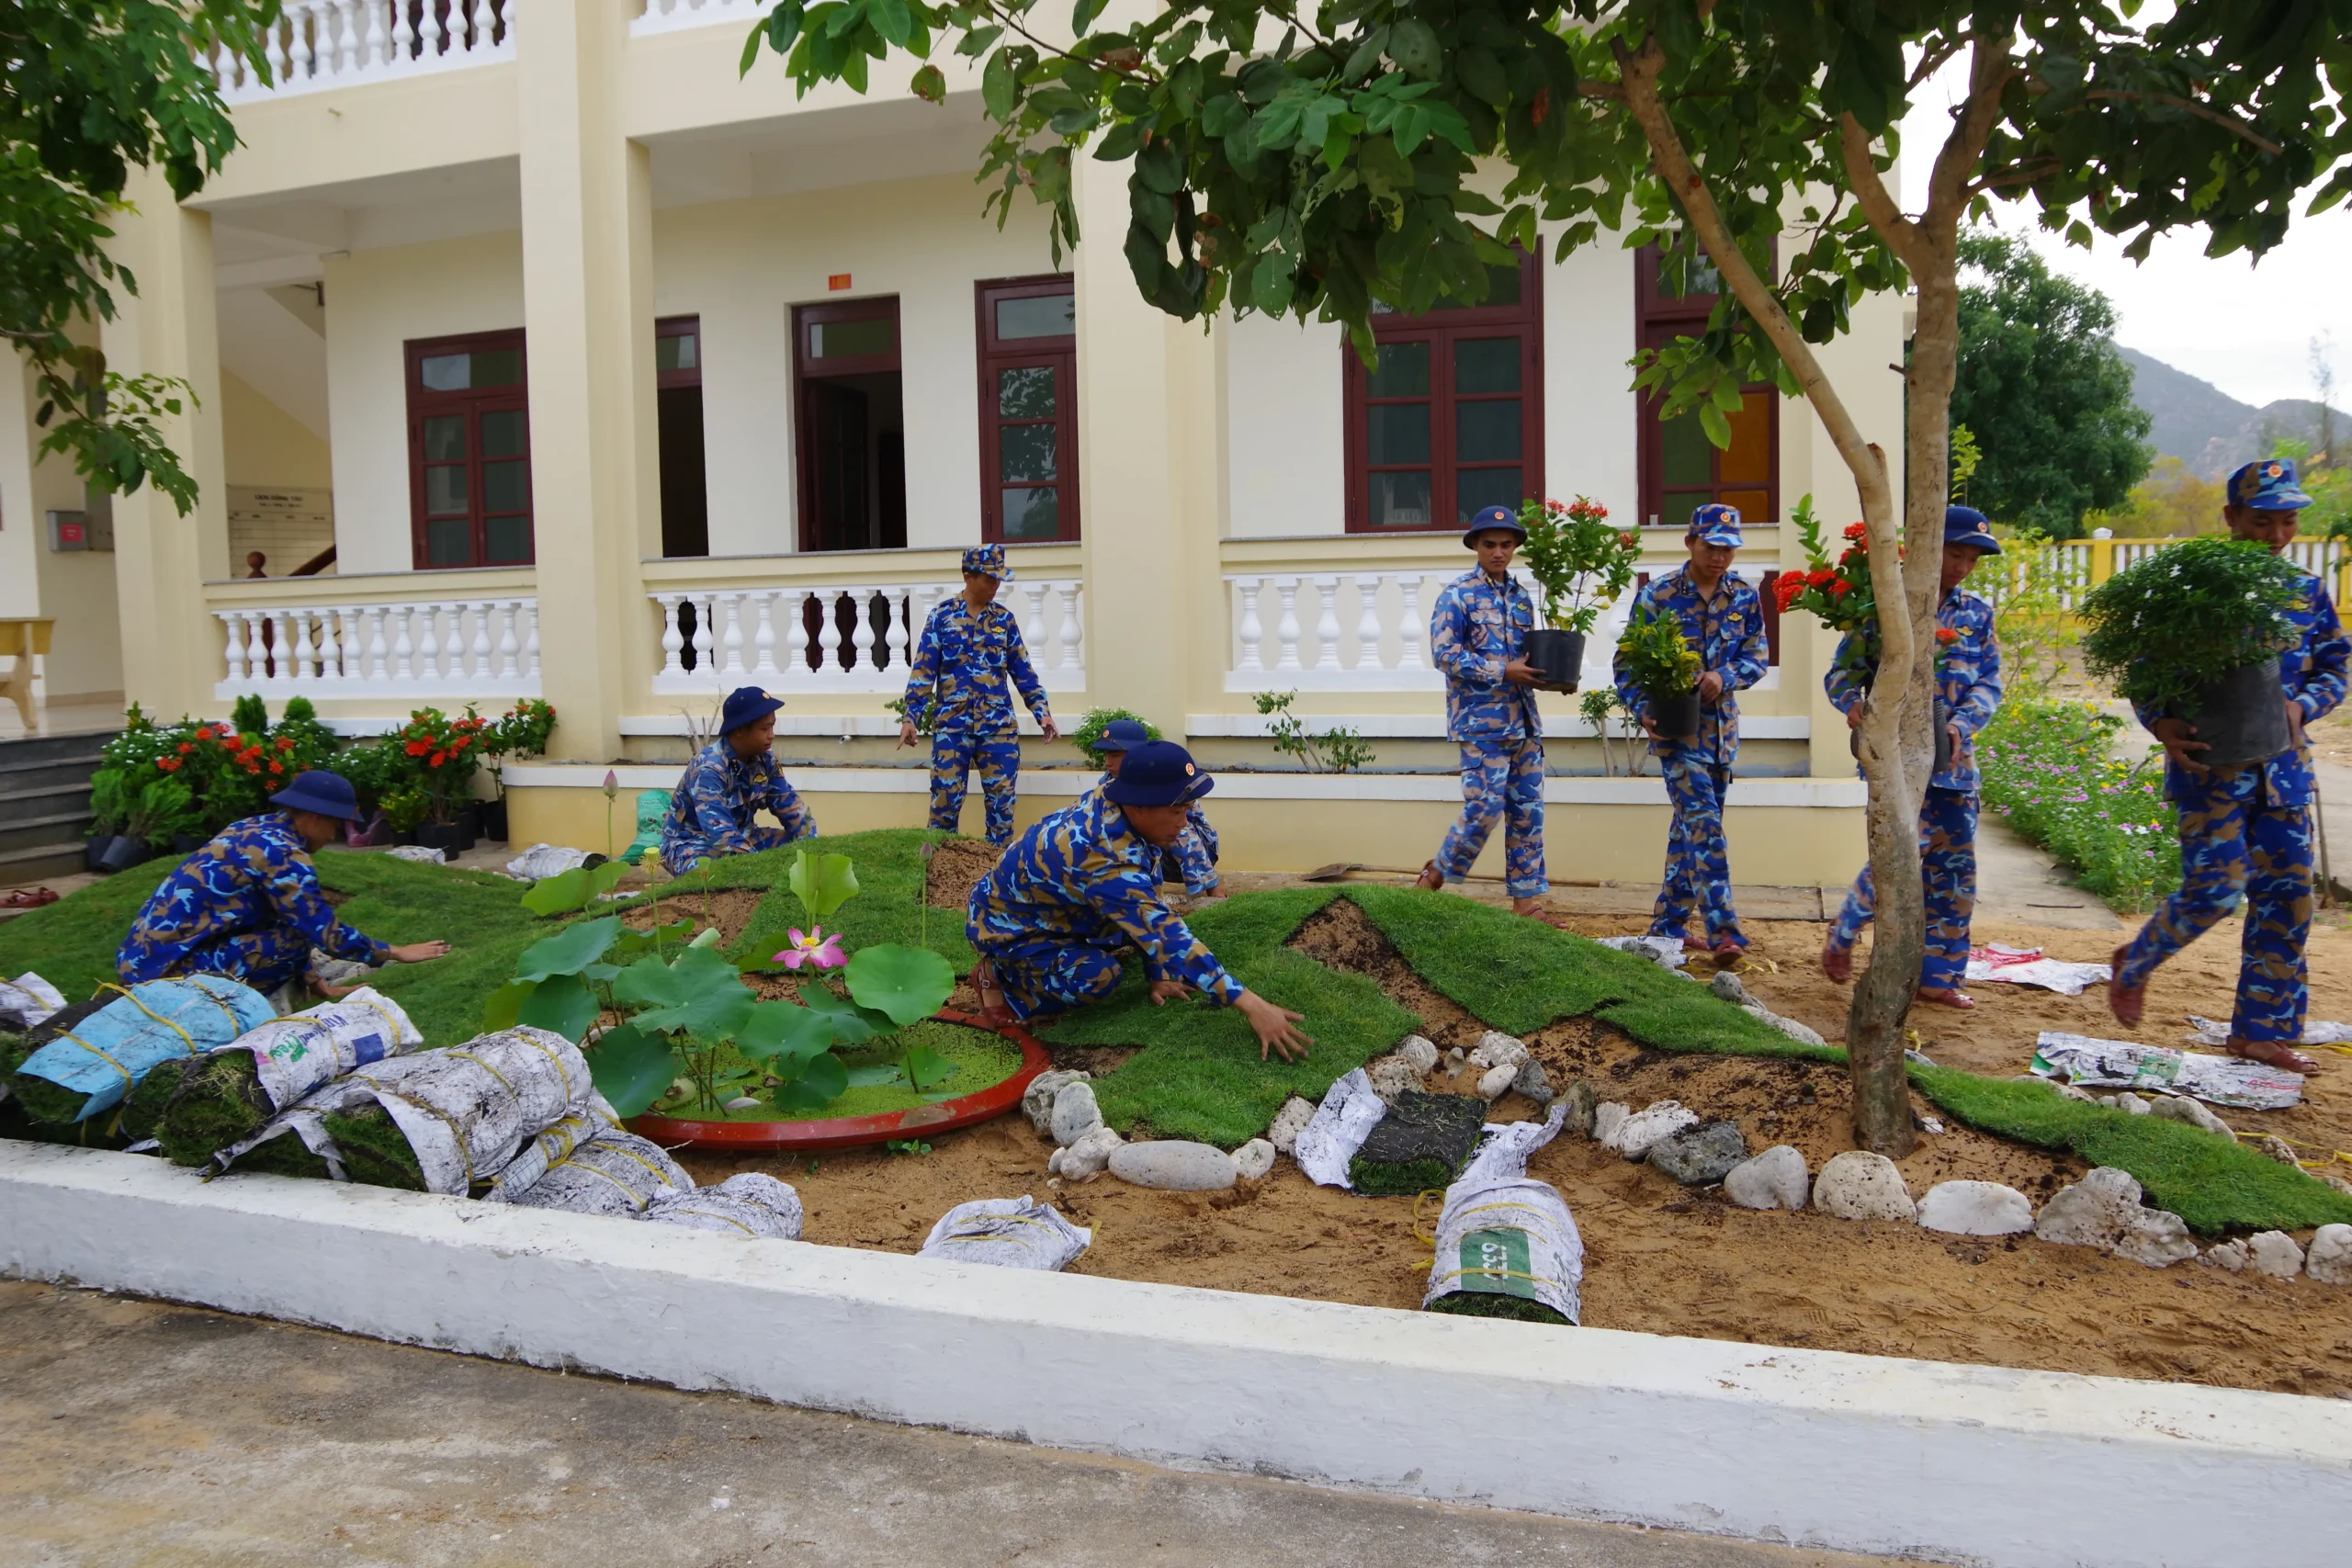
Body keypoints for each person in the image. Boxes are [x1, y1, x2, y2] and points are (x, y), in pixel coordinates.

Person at [2109, 457, 2348, 1072]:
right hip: (2209, 771)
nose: (2275, 535)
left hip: (2285, 774)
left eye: (2287, 521)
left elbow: (2336, 666)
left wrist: (2305, 704)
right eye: (2262, 521)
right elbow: (2143, 671)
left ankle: (2259, 1031)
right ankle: (2136, 959)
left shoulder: (2306, 593)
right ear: (2231, 517)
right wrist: (2160, 722)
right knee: (2216, 889)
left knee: (2290, 897)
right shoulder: (2188, 591)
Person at [966, 740, 1313, 1061]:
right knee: (1098, 977)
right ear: (1138, 806)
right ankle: (1000, 980)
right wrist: (1251, 1004)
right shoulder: (1100, 855)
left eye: (1188, 809)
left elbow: (1147, 885)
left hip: (1061, 908)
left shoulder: (1119, 802)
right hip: (1010, 928)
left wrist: (1158, 972)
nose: (1184, 822)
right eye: (1177, 812)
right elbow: (1163, 931)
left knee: (1133, 929)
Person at [1819, 507, 2007, 1006]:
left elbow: (1989, 683)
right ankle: (1844, 933)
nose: (1963, 566)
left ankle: (1941, 977)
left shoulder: (1977, 615)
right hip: (1899, 759)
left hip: (1955, 765)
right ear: (1930, 548)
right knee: (1901, 854)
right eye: (1955, 553)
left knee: (1954, 870)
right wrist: (1856, 707)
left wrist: (1961, 723)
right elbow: (1840, 674)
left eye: (1971, 558)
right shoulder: (1886, 607)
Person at [118, 770, 449, 997]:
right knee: (289, 944)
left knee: (287, 935)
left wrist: (313, 980)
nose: (334, 834)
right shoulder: (283, 855)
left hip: (139, 962)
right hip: (163, 978)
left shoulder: (250, 828)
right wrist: (394, 952)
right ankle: (224, 1012)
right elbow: (321, 930)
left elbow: (278, 912)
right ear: (315, 817)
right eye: (335, 824)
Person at [1614, 503, 1770, 962]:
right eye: (1711, 547)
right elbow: (1627, 665)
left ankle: (1668, 929)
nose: (1720, 557)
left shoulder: (1743, 595)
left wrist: (1725, 676)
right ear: (1690, 542)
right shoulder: (1658, 596)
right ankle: (1726, 932)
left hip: (1721, 735)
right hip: (1676, 734)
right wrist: (1642, 709)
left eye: (1728, 549)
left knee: (1692, 831)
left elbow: (1757, 655)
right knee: (1704, 827)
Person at [1414, 504, 1550, 917]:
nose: (1498, 552)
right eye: (1489, 544)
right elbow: (1444, 655)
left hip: (1524, 722)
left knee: (1527, 813)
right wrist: (1501, 670)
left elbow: (1529, 655)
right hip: (1481, 723)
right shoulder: (1457, 595)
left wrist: (1551, 675)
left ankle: (1526, 905)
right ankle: (1433, 877)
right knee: (1484, 808)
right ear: (1475, 545)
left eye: (1506, 544)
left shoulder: (1522, 598)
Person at [900, 544, 1060, 847]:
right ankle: (937, 879)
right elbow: (923, 672)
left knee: (1001, 811)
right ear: (968, 577)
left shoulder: (1005, 620)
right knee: (944, 807)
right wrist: (911, 717)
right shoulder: (941, 618)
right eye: (990, 579)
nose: (995, 586)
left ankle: (996, 880)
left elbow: (1023, 672)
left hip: (998, 729)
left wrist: (1043, 713)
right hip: (952, 728)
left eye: (999, 580)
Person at [662, 685, 817, 875]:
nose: (772, 735)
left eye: (772, 726)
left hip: (745, 836)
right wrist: (762, 866)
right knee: (711, 875)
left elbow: (791, 807)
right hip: (692, 844)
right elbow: (722, 837)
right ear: (740, 730)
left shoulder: (765, 759)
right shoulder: (709, 769)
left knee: (797, 851)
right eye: (764, 728)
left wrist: (812, 849)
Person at [1092, 716, 1221, 899]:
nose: (1107, 762)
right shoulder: (1107, 782)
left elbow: (1185, 823)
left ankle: (1210, 892)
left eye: (1114, 755)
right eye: (1106, 755)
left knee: (1177, 828)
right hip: (1153, 846)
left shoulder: (1162, 776)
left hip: (1197, 848)